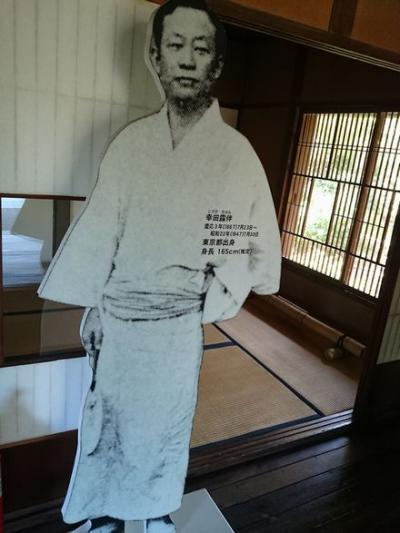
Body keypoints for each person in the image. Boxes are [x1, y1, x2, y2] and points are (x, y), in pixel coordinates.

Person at [38, 1, 281, 532]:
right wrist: (94, 307)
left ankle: (152, 512)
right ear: (156, 57)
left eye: (201, 48)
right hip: (119, 314)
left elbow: (249, 241)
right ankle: (105, 515)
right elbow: (101, 231)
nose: (188, 60)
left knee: (164, 426)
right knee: (106, 422)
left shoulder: (234, 154)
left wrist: (212, 298)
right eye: (176, 46)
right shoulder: (131, 145)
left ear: (216, 63)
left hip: (175, 321)